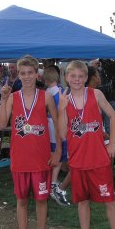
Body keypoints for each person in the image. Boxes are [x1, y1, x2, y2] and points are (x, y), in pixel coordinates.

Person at [58, 60, 115, 229]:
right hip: (77, 159)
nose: (76, 80)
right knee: (83, 201)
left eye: (80, 76)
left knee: (109, 200)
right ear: (66, 77)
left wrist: (112, 142)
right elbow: (62, 133)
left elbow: (113, 116)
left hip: (98, 158)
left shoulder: (96, 94)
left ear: (86, 78)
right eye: (72, 76)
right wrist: (61, 108)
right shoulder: (64, 99)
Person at [0, 55, 61, 229]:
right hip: (20, 159)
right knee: (22, 200)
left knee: (42, 201)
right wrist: (3, 100)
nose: (26, 77)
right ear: (18, 74)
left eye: (30, 73)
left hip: (41, 158)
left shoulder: (46, 97)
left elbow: (58, 123)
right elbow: (1, 124)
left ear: (37, 73)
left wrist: (57, 150)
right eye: (22, 73)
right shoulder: (13, 97)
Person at [43, 66, 71, 207]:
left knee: (52, 154)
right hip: (57, 126)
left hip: (48, 126)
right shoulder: (59, 92)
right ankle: (53, 182)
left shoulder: (45, 92)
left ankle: (50, 181)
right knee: (58, 156)